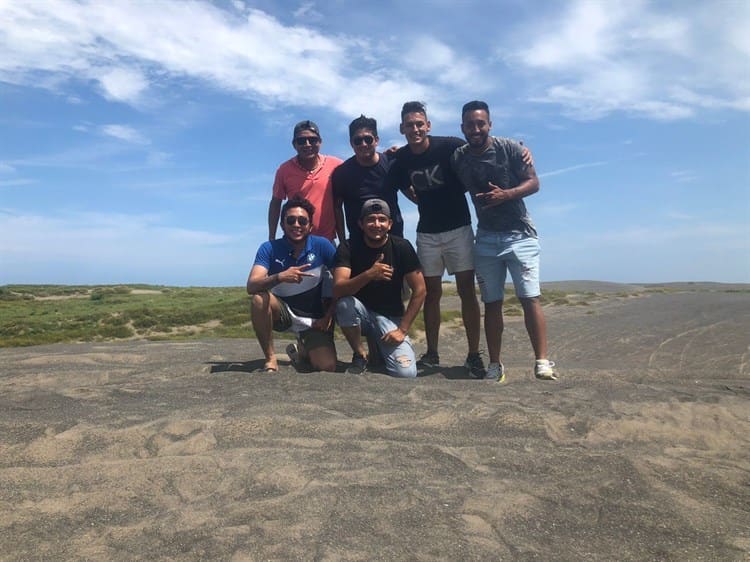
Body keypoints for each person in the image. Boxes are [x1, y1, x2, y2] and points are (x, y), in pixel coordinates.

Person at [451, 100, 557, 382]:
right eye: (470, 125)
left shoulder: (509, 148)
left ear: (489, 124)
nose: (476, 129)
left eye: (480, 123)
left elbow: (534, 183)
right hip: (485, 238)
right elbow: (428, 150)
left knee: (529, 298)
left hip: (520, 235)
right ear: (462, 127)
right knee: (492, 303)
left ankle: (542, 362)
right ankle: (495, 365)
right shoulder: (458, 157)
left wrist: (506, 194)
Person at [386, 101, 487, 377]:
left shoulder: (450, 146)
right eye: (410, 125)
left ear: (428, 125)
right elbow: (394, 182)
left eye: (420, 124)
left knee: (467, 290)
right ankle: (432, 353)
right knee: (431, 294)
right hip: (427, 233)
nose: (415, 129)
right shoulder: (402, 159)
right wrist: (413, 195)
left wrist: (519, 151)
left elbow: (481, 147)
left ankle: (473, 354)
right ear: (402, 128)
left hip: (459, 228)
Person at [333, 199, 426, 378]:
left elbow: (420, 289)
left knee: (406, 373)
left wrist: (402, 330)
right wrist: (369, 274)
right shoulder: (348, 247)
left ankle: (379, 348)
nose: (376, 224)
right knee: (344, 304)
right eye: (370, 219)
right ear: (361, 223)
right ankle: (360, 354)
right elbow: (338, 289)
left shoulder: (402, 247)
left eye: (382, 219)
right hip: (362, 315)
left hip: (391, 319)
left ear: (390, 224)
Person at [247, 196, 337, 372]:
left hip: (313, 319)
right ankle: (270, 358)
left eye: (302, 221)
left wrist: (329, 315)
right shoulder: (269, 248)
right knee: (259, 299)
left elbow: (342, 283)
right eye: (291, 220)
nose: (296, 225)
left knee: (327, 367)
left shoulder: (323, 246)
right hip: (283, 313)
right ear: (282, 224)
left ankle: (302, 351)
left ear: (311, 226)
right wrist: (279, 276)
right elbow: (252, 285)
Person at [332, 115, 404, 242]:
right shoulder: (342, 173)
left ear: (376, 140)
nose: (363, 144)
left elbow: (411, 192)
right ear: (351, 143)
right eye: (358, 140)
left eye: (368, 139)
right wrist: (343, 242)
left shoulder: (392, 163)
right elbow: (337, 208)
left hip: (394, 241)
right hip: (359, 244)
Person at [268, 120, 343, 242]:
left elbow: (358, 167)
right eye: (301, 141)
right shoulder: (284, 170)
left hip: (327, 240)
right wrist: (271, 237)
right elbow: (275, 203)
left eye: (312, 140)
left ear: (320, 142)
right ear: (294, 145)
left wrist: (385, 157)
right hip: (295, 241)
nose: (307, 144)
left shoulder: (336, 165)